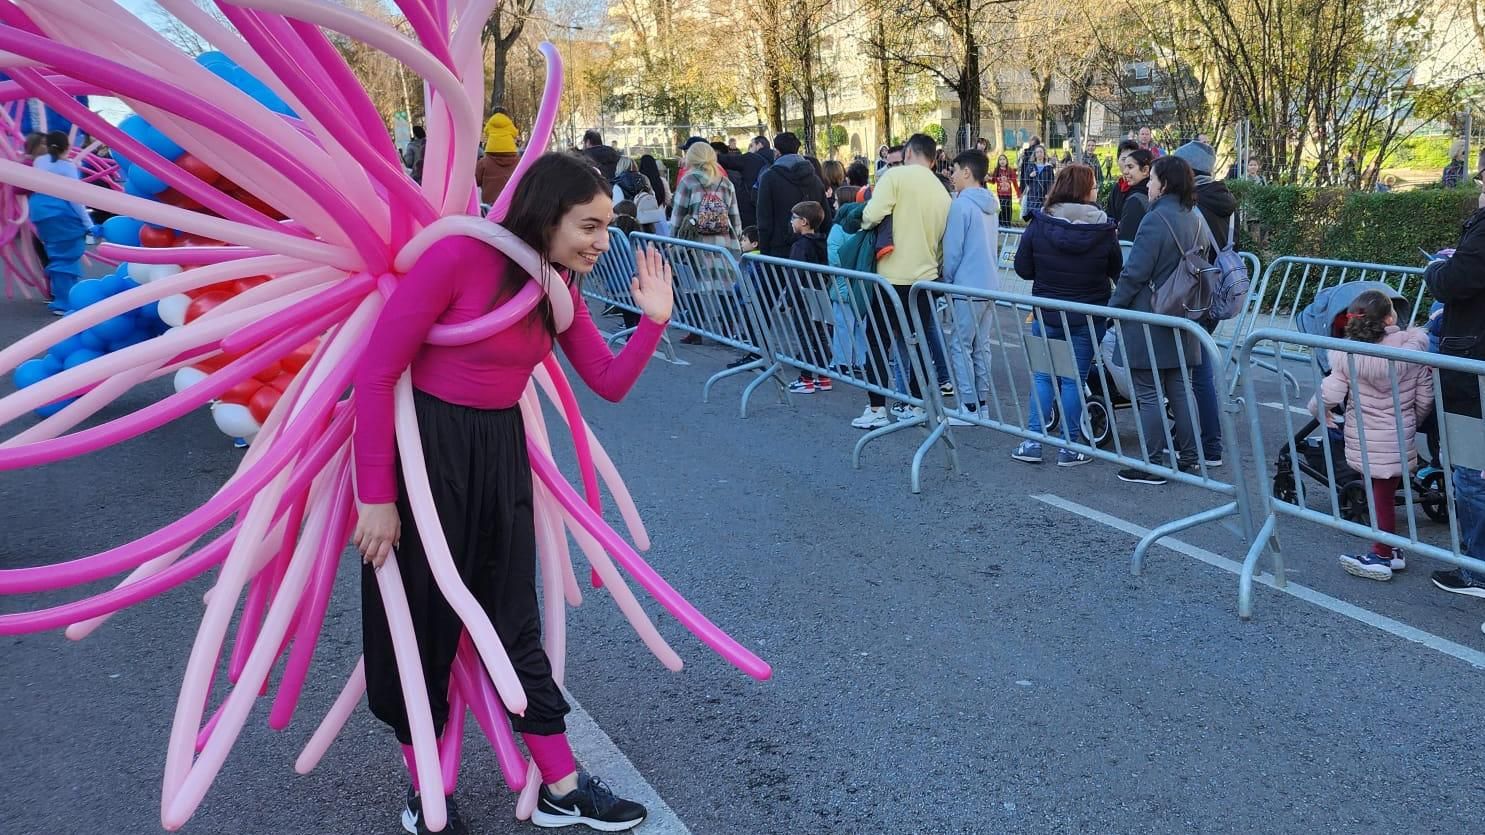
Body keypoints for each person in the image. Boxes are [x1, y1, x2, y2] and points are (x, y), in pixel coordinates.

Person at [352, 153, 669, 833]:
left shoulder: (557, 290)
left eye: (607, 227)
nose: (601, 241)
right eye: (589, 224)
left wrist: (652, 321)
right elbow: (376, 373)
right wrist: (375, 495)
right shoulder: (460, 256)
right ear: (546, 213)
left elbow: (607, 382)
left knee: (512, 618)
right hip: (424, 457)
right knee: (418, 626)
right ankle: (427, 796)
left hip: (497, 456)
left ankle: (560, 786)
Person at [1310, 290, 1433, 581]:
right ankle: (1392, 549)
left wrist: (1318, 410)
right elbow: (1425, 396)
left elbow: (1331, 392)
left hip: (1367, 435)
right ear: (1391, 318)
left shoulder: (1347, 355)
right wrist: (1412, 419)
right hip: (1399, 430)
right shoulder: (1412, 350)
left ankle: (1380, 555)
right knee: (1387, 493)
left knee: (1379, 495)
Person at [1009, 163, 1122, 465]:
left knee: (1043, 378)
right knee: (1074, 380)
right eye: (1095, 185)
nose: (1098, 189)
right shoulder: (1104, 228)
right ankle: (1070, 447)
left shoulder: (1040, 222)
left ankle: (1033, 443)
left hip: (1047, 314)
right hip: (1088, 316)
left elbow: (1022, 268)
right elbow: (1117, 271)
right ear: (1086, 190)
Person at [1108, 155, 1203, 484]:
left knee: (1148, 392)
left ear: (1164, 184)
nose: (1148, 184)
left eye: (1152, 180)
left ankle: (1152, 465)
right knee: (1180, 387)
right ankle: (1189, 456)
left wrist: (1113, 307)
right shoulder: (1193, 216)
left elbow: (1135, 272)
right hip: (1184, 313)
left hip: (1151, 315)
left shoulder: (1155, 219)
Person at [852, 132, 952, 429]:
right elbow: (944, 242)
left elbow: (871, 215)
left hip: (890, 275)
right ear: (933, 159)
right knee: (918, 342)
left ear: (908, 153)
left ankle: (876, 408)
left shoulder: (895, 178)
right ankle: (918, 404)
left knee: (878, 341)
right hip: (925, 277)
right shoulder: (942, 191)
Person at [1422, 186, 1485, 612]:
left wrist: (1436, 270)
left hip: (1473, 358)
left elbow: (1456, 281)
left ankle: (1476, 568)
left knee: (1472, 469)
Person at [1171, 140, 1238, 466]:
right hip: (1215, 293)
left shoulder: (1194, 205)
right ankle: (1201, 441)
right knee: (1198, 372)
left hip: (1192, 295)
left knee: (1190, 374)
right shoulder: (1223, 200)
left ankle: (1206, 446)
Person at [940, 149, 998, 420]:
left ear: (966, 172)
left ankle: (968, 405)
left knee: (960, 344)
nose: (951, 176)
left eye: (954, 170)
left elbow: (953, 250)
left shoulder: (961, 205)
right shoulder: (991, 203)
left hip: (965, 284)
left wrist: (947, 279)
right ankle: (981, 403)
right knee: (981, 345)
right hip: (988, 284)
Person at [670, 141, 743, 344]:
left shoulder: (688, 182)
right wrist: (736, 239)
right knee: (724, 287)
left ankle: (696, 329)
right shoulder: (725, 183)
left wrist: (671, 241)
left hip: (695, 243)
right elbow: (735, 217)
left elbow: (677, 217)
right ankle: (728, 327)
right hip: (723, 243)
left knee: (692, 285)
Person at [29, 131, 93, 315]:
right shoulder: (67, 167)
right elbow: (75, 200)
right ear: (68, 147)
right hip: (63, 214)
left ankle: (62, 299)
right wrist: (88, 224)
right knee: (68, 257)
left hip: (41, 213)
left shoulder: (39, 162)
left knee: (56, 256)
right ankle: (67, 302)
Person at [785, 200, 833, 393]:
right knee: (820, 335)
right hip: (820, 294)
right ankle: (823, 375)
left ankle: (805, 378)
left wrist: (789, 299)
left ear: (804, 221)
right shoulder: (824, 243)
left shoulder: (800, 246)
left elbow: (795, 275)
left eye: (794, 218)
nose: (791, 221)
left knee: (805, 336)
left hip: (803, 296)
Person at [756, 132, 828, 258]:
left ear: (777, 152)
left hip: (779, 252)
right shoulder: (815, 179)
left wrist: (764, 254)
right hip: (811, 251)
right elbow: (826, 217)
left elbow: (764, 220)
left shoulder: (769, 178)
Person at [717, 135, 774, 229]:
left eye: (751, 145)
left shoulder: (750, 158)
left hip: (750, 206)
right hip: (771, 204)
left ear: (759, 145)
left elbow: (727, 161)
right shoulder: (776, 157)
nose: (749, 149)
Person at [475, 111, 520, 206]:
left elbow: (473, 181)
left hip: (491, 211)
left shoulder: (484, 163)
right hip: (514, 208)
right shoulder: (519, 163)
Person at [1114, 147, 1154, 241]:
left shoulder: (1136, 200)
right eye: (1125, 166)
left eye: (1130, 167)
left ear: (1145, 170)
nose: (1125, 171)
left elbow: (1126, 239)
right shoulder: (1153, 193)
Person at [1019, 145, 1055, 221]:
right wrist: (1030, 176)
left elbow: (1051, 182)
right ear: (1034, 154)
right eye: (1037, 152)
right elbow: (1026, 181)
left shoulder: (1048, 167)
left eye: (1041, 152)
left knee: (1043, 218)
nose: (1039, 154)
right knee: (1033, 218)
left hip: (1044, 197)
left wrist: (1048, 193)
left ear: (1044, 154)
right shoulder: (1031, 166)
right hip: (1032, 196)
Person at [990, 153, 1017, 225]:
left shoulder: (1010, 170)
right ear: (998, 161)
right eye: (1000, 159)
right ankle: (1001, 223)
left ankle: (1008, 224)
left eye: (1004, 159)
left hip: (1009, 193)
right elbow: (993, 181)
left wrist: (1018, 193)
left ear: (1007, 161)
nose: (1002, 161)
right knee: (1003, 208)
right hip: (1001, 193)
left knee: (1009, 208)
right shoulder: (997, 170)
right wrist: (987, 179)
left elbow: (1015, 182)